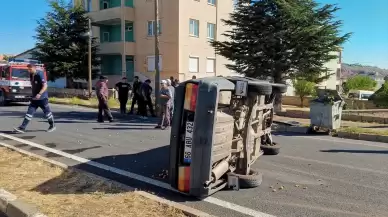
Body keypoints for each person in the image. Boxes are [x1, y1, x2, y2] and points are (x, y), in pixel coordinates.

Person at [14, 64, 56, 133]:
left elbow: (45, 86)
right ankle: (22, 128)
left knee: (47, 113)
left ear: (34, 68)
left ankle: (52, 126)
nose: (28, 71)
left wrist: (39, 94)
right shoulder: (31, 75)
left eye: (30, 69)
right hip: (34, 99)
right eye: (28, 69)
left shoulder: (40, 74)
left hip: (42, 98)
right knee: (29, 113)